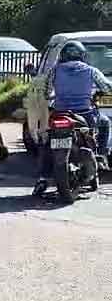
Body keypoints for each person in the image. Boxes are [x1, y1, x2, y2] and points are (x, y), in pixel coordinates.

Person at [34, 40, 112, 193]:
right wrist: (97, 94)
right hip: (85, 113)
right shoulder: (91, 70)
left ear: (63, 56)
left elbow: (46, 92)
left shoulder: (54, 71)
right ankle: (101, 155)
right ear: (82, 55)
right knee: (104, 123)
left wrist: (54, 98)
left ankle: (42, 178)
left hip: (60, 114)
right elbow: (107, 87)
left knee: (47, 143)